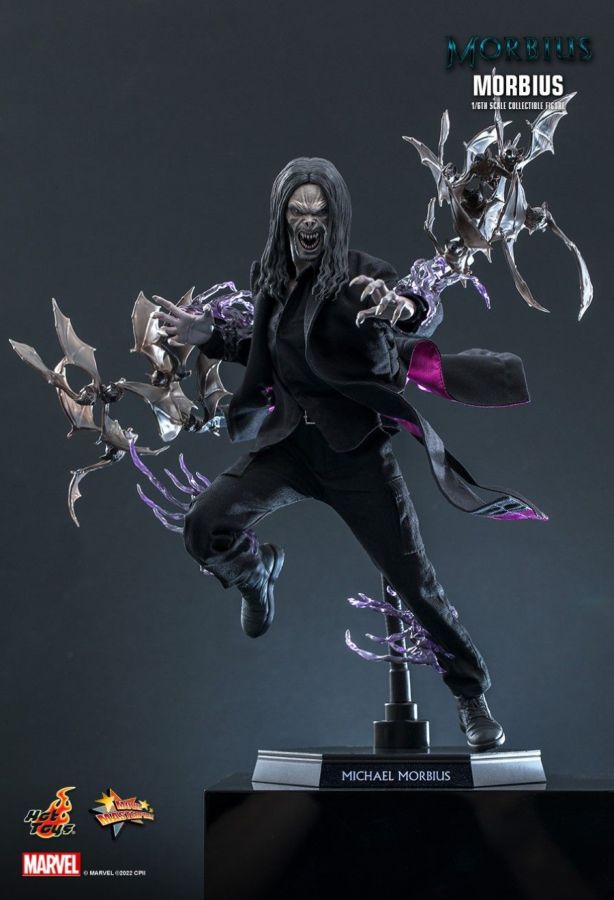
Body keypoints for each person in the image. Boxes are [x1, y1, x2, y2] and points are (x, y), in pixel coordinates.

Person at [155, 157, 543, 750]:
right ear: (282, 216)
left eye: (319, 211)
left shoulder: (367, 275)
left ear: (334, 216)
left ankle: (471, 696)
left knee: (415, 582)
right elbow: (265, 346)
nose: (308, 222)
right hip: (291, 445)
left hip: (354, 452)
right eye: (297, 210)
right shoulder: (271, 277)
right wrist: (208, 334)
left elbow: (415, 305)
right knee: (204, 526)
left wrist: (401, 309)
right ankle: (256, 574)